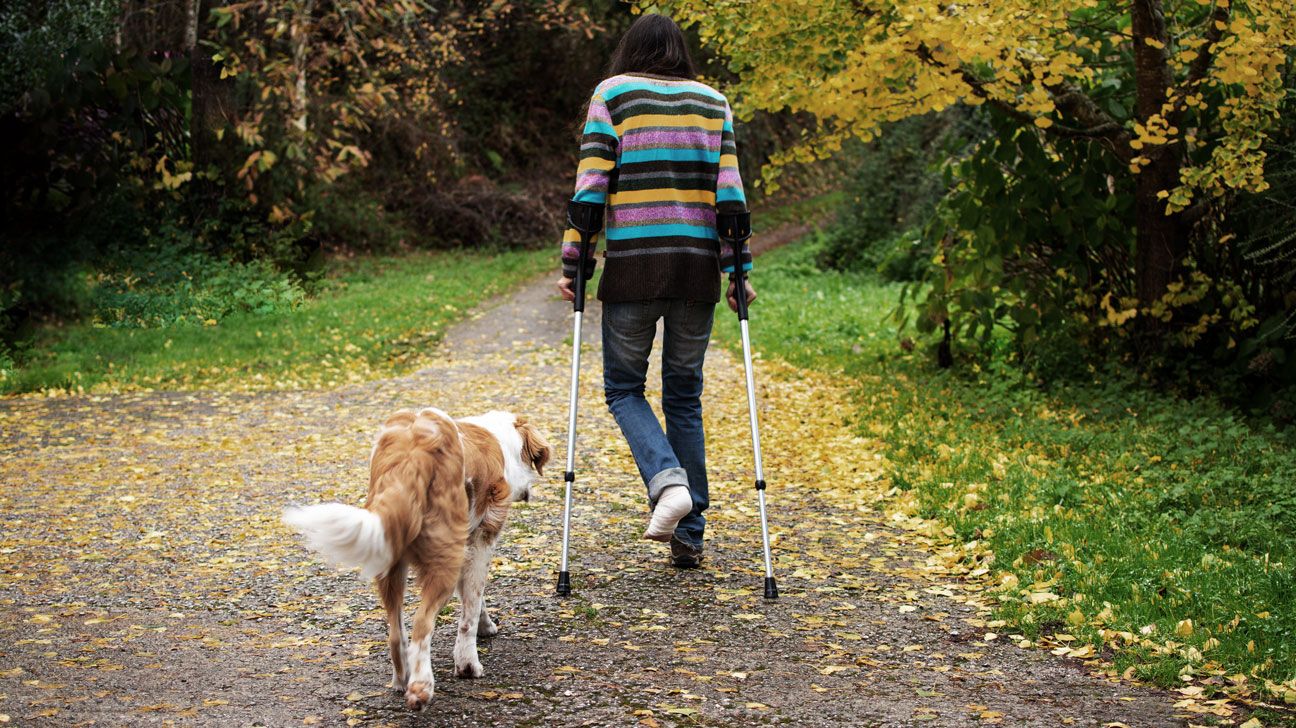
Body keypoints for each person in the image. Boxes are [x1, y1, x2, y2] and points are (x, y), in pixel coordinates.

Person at [556, 13, 755, 569]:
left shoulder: (613, 94)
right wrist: (739, 271)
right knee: (684, 396)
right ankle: (689, 532)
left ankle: (669, 485)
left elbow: (589, 190)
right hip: (697, 271)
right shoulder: (714, 103)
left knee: (623, 389)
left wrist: (575, 260)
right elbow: (731, 200)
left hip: (634, 269)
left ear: (631, 49)